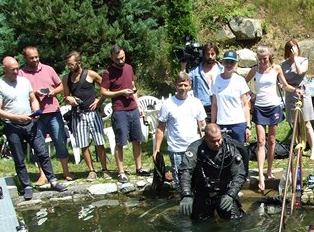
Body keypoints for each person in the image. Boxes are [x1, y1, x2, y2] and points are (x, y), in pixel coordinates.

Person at [0, 56, 67, 200]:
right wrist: (16, 117)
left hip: (30, 123)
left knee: (42, 152)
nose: (16, 71)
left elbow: (33, 99)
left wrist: (36, 111)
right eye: (12, 69)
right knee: (19, 159)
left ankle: (53, 181)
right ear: (4, 69)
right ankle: (27, 186)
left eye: (17, 68)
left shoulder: (24, 81)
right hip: (12, 126)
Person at [245, 46, 299, 193]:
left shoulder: (277, 69)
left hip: (274, 106)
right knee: (261, 141)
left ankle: (269, 170)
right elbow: (243, 83)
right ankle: (261, 175)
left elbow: (286, 85)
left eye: (265, 58)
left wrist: (296, 90)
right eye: (260, 58)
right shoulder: (255, 69)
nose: (262, 61)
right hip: (260, 108)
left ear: (269, 57)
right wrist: (251, 94)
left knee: (272, 140)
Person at [19, 46, 73, 184]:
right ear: (25, 58)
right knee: (39, 145)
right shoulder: (21, 73)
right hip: (35, 115)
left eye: (37, 56)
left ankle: (65, 171)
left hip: (53, 111)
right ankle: (43, 174)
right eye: (32, 58)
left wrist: (53, 92)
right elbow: (19, 93)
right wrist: (34, 93)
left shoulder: (48, 69)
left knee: (60, 141)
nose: (35, 59)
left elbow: (61, 85)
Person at [100, 44, 151, 183]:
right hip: (119, 110)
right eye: (117, 59)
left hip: (133, 108)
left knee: (137, 139)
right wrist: (120, 93)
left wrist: (138, 105)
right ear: (112, 58)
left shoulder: (129, 68)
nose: (120, 61)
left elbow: (133, 87)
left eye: (122, 58)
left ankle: (139, 168)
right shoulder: (108, 72)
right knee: (120, 142)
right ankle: (121, 172)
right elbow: (103, 92)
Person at [178, 123, 247, 221]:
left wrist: (231, 194)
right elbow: (185, 171)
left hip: (225, 192)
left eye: (219, 140)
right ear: (205, 138)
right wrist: (186, 194)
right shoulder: (195, 149)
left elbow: (239, 174)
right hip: (203, 192)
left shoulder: (230, 148)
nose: (217, 144)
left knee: (235, 221)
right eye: (213, 141)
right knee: (199, 224)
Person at [153, 72, 207, 191]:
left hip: (194, 147)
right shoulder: (167, 104)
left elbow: (202, 124)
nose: (183, 88)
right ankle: (181, 205)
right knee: (179, 182)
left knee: (196, 179)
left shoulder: (196, 102)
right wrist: (157, 149)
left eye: (185, 85)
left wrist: (206, 143)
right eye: (180, 85)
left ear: (190, 85)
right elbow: (161, 127)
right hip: (176, 148)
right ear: (175, 85)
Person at [61, 51, 109, 181]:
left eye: (71, 64)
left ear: (79, 63)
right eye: (67, 65)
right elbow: (65, 96)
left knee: (99, 142)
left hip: (93, 114)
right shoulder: (66, 78)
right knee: (84, 144)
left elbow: (105, 87)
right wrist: (68, 99)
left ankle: (105, 169)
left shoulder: (90, 74)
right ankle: (91, 170)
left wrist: (99, 101)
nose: (69, 67)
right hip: (78, 115)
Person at [281, 39, 314, 161]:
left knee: (306, 123)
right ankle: (299, 148)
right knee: (294, 124)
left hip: (303, 93)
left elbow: (300, 71)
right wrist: (282, 85)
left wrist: (296, 58)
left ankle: (312, 149)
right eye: (291, 49)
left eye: (295, 48)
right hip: (291, 94)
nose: (293, 51)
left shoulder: (303, 60)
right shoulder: (284, 64)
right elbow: (282, 80)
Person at [210, 50, 251, 144]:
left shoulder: (240, 80)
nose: (229, 64)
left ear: (235, 64)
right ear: (223, 63)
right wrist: (213, 124)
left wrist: (248, 125)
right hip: (222, 123)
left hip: (238, 123)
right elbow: (214, 104)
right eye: (227, 62)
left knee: (239, 153)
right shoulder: (216, 80)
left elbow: (245, 105)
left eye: (232, 62)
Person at [188, 42, 223, 122]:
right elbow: (183, 82)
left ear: (216, 54)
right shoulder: (195, 71)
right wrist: (183, 65)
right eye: (207, 54)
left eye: (212, 54)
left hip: (220, 107)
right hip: (202, 108)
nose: (210, 56)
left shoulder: (222, 70)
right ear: (203, 55)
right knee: (204, 133)